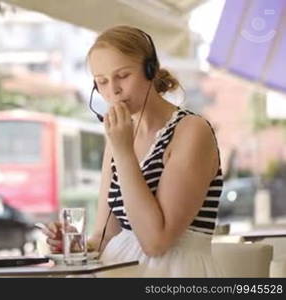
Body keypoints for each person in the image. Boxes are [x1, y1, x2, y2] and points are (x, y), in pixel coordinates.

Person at [42, 25, 224, 277]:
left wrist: (124, 152)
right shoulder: (120, 136)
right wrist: (74, 244)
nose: (113, 91)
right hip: (119, 267)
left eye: (123, 76)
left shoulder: (191, 131)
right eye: (102, 82)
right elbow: (106, 235)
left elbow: (156, 242)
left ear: (150, 70)